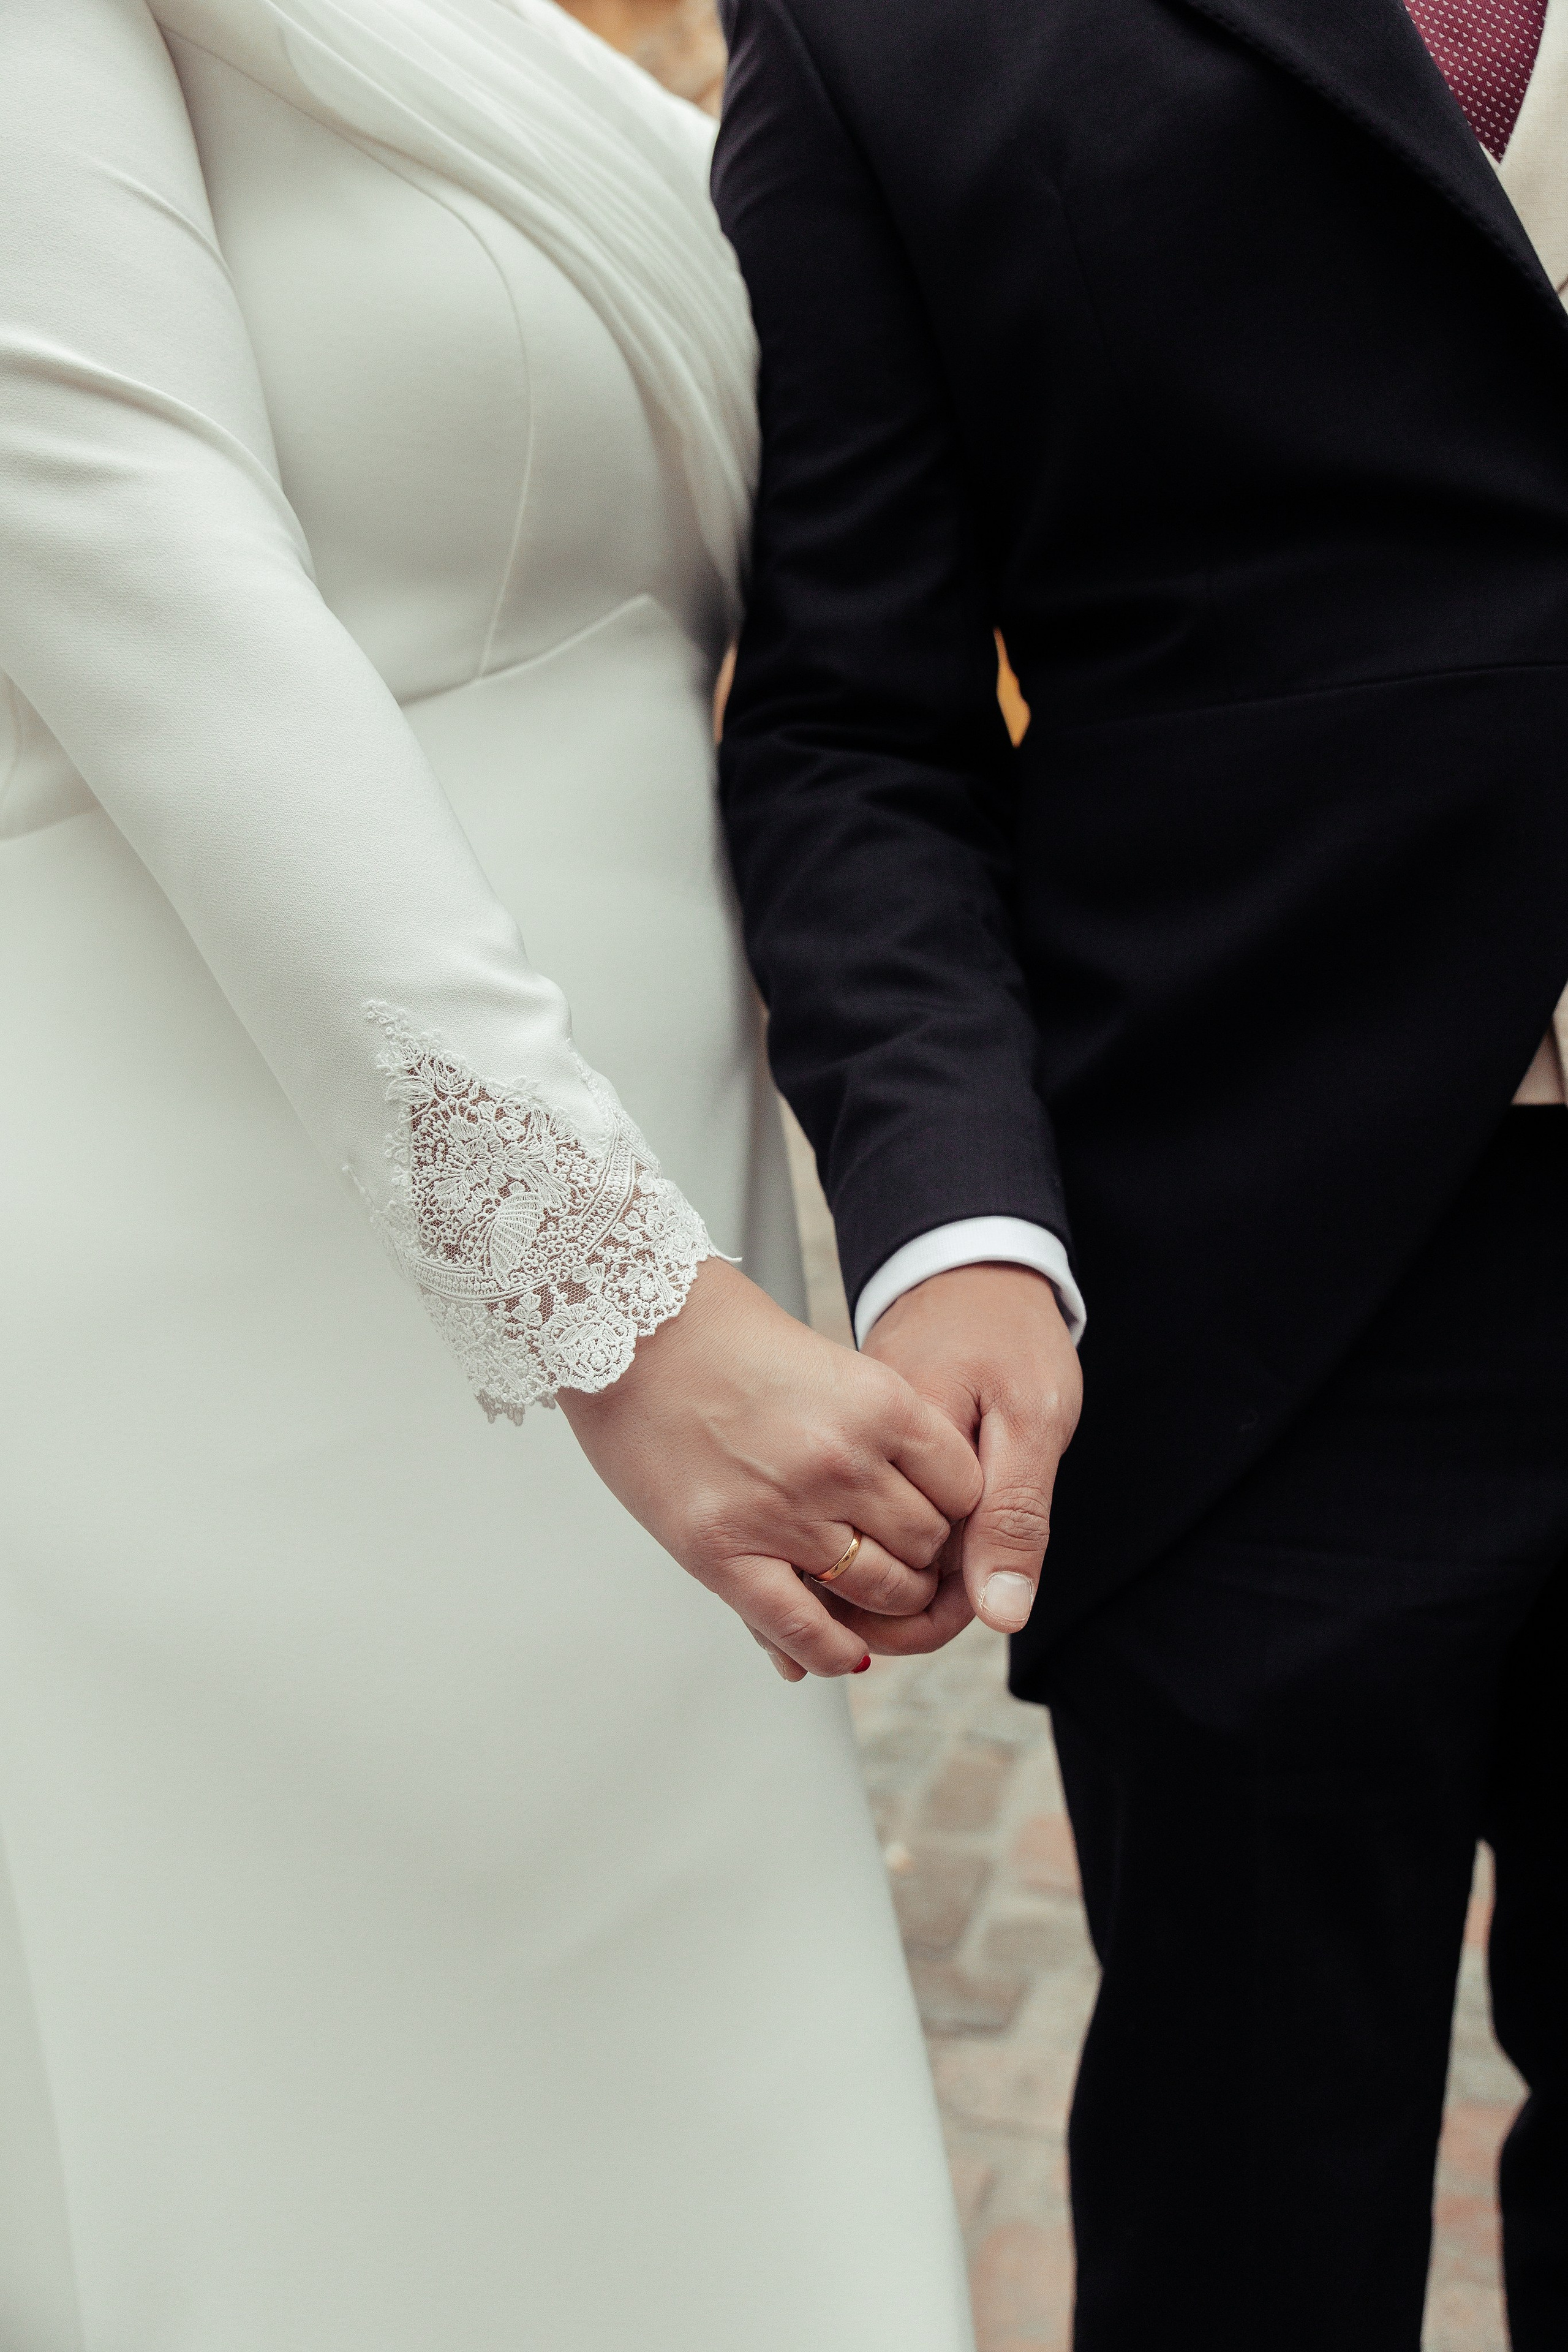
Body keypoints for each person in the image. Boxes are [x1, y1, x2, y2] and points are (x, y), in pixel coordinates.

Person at [0, 2, 988, 2343]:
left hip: (659, 1318)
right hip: (248, 1300)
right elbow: (133, 554)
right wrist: (614, 1306)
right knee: (326, 2159)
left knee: (707, 2173)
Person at [713, 0, 1568, 2343]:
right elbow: (849, 721)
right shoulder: (870, 32)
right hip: (1265, 1303)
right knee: (1247, 2207)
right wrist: (958, 1218)